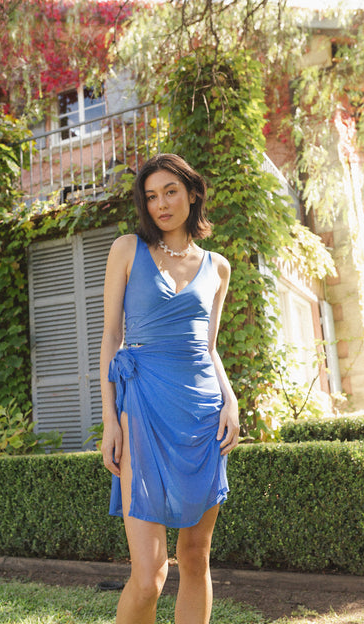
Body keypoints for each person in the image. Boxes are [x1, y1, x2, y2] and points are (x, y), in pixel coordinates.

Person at [100, 153, 240, 624]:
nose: (161, 204)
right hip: (140, 411)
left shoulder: (217, 267)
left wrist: (231, 400)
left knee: (197, 555)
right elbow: (111, 338)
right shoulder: (127, 249)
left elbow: (211, 347)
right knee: (149, 577)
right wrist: (109, 421)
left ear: (192, 193)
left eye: (170, 192)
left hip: (203, 413)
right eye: (151, 196)